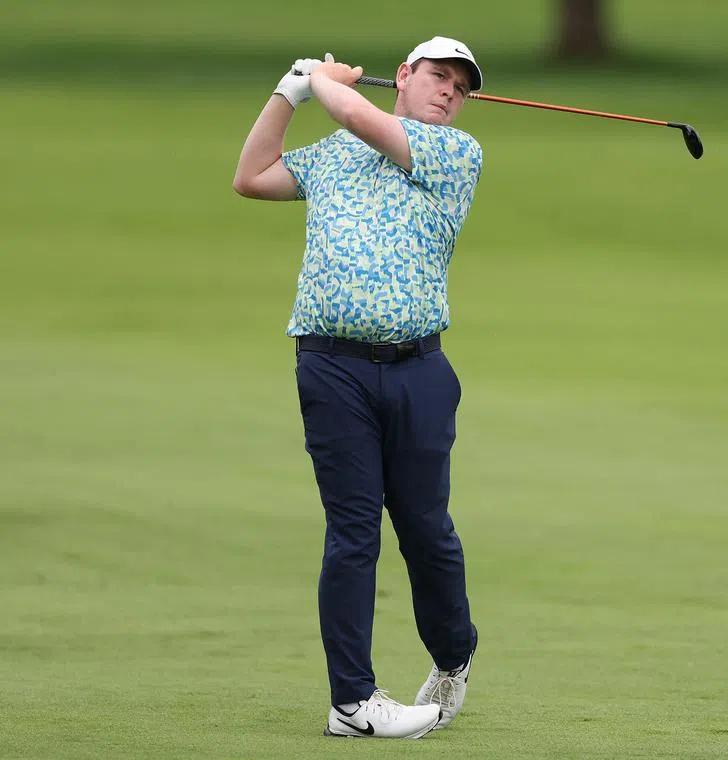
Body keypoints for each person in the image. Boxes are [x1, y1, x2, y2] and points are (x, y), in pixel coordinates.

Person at [232, 37, 484, 740]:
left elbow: (359, 118)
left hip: (420, 373)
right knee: (352, 534)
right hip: (331, 367)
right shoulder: (334, 157)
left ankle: (453, 655)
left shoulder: (456, 154)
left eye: (461, 88)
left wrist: (320, 79)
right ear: (404, 76)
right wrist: (289, 89)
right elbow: (252, 176)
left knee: (427, 534)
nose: (449, 94)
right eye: (438, 77)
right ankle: (352, 701)